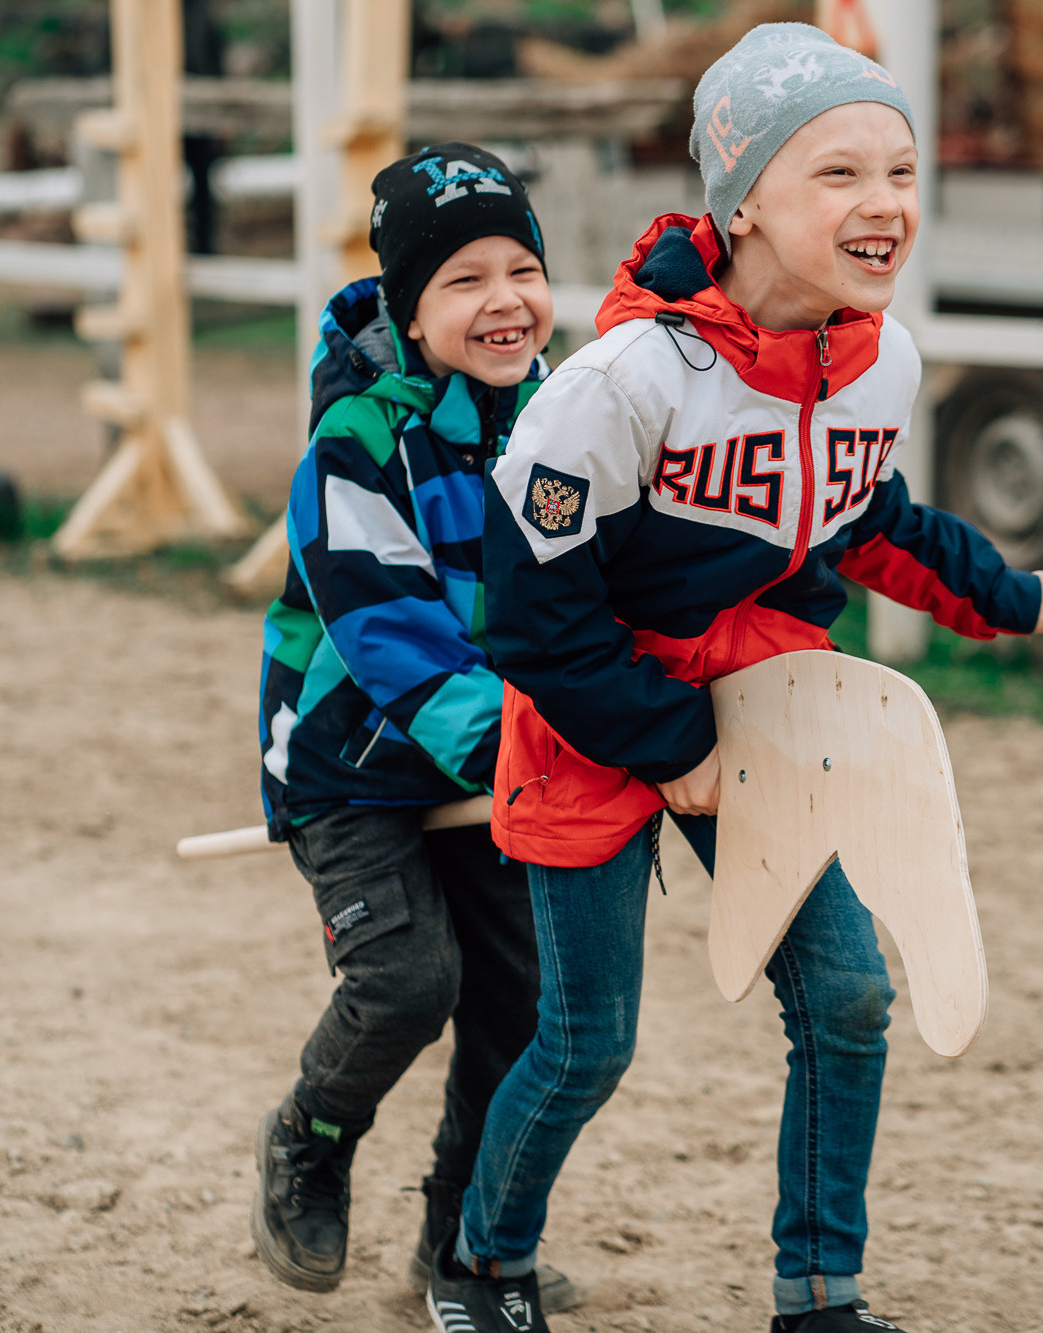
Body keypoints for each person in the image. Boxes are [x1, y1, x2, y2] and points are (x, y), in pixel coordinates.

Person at [423, 24, 1043, 1333]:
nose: (884, 205)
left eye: (901, 173)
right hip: (595, 712)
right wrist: (667, 745)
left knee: (848, 997)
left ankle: (819, 1297)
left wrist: (1010, 594)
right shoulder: (621, 385)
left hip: (764, 703)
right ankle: (484, 1265)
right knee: (584, 1041)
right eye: (836, 174)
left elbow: (870, 516)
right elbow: (534, 613)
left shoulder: (879, 360)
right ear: (739, 204)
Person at [251, 141, 580, 1312]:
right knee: (405, 982)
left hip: (498, 765)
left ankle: (462, 1239)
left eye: (519, 269)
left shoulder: (565, 417)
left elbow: (601, 583)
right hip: (353, 759)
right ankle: (310, 1136)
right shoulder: (357, 446)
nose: (502, 301)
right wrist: (527, 746)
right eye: (462, 280)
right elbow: (390, 634)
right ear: (407, 302)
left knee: (530, 1002)